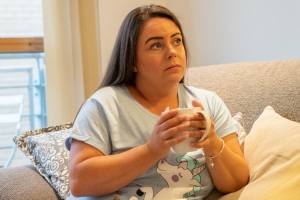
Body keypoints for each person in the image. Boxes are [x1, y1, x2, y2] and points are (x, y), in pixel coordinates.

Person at [65, 4, 249, 200]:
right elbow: (79, 182)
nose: (172, 52)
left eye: (177, 41)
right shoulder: (103, 106)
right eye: (156, 45)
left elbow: (237, 182)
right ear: (132, 61)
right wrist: (151, 150)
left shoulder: (209, 102)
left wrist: (212, 143)